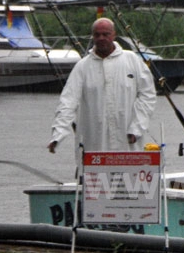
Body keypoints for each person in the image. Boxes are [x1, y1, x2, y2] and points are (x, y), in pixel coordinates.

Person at [48, 17, 156, 154]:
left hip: (128, 142)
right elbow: (68, 102)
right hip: (94, 143)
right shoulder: (82, 67)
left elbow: (148, 95)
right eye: (97, 35)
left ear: (114, 35)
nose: (101, 38)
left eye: (106, 34)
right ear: (93, 37)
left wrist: (137, 128)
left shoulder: (132, 61)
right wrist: (58, 135)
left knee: (129, 172)